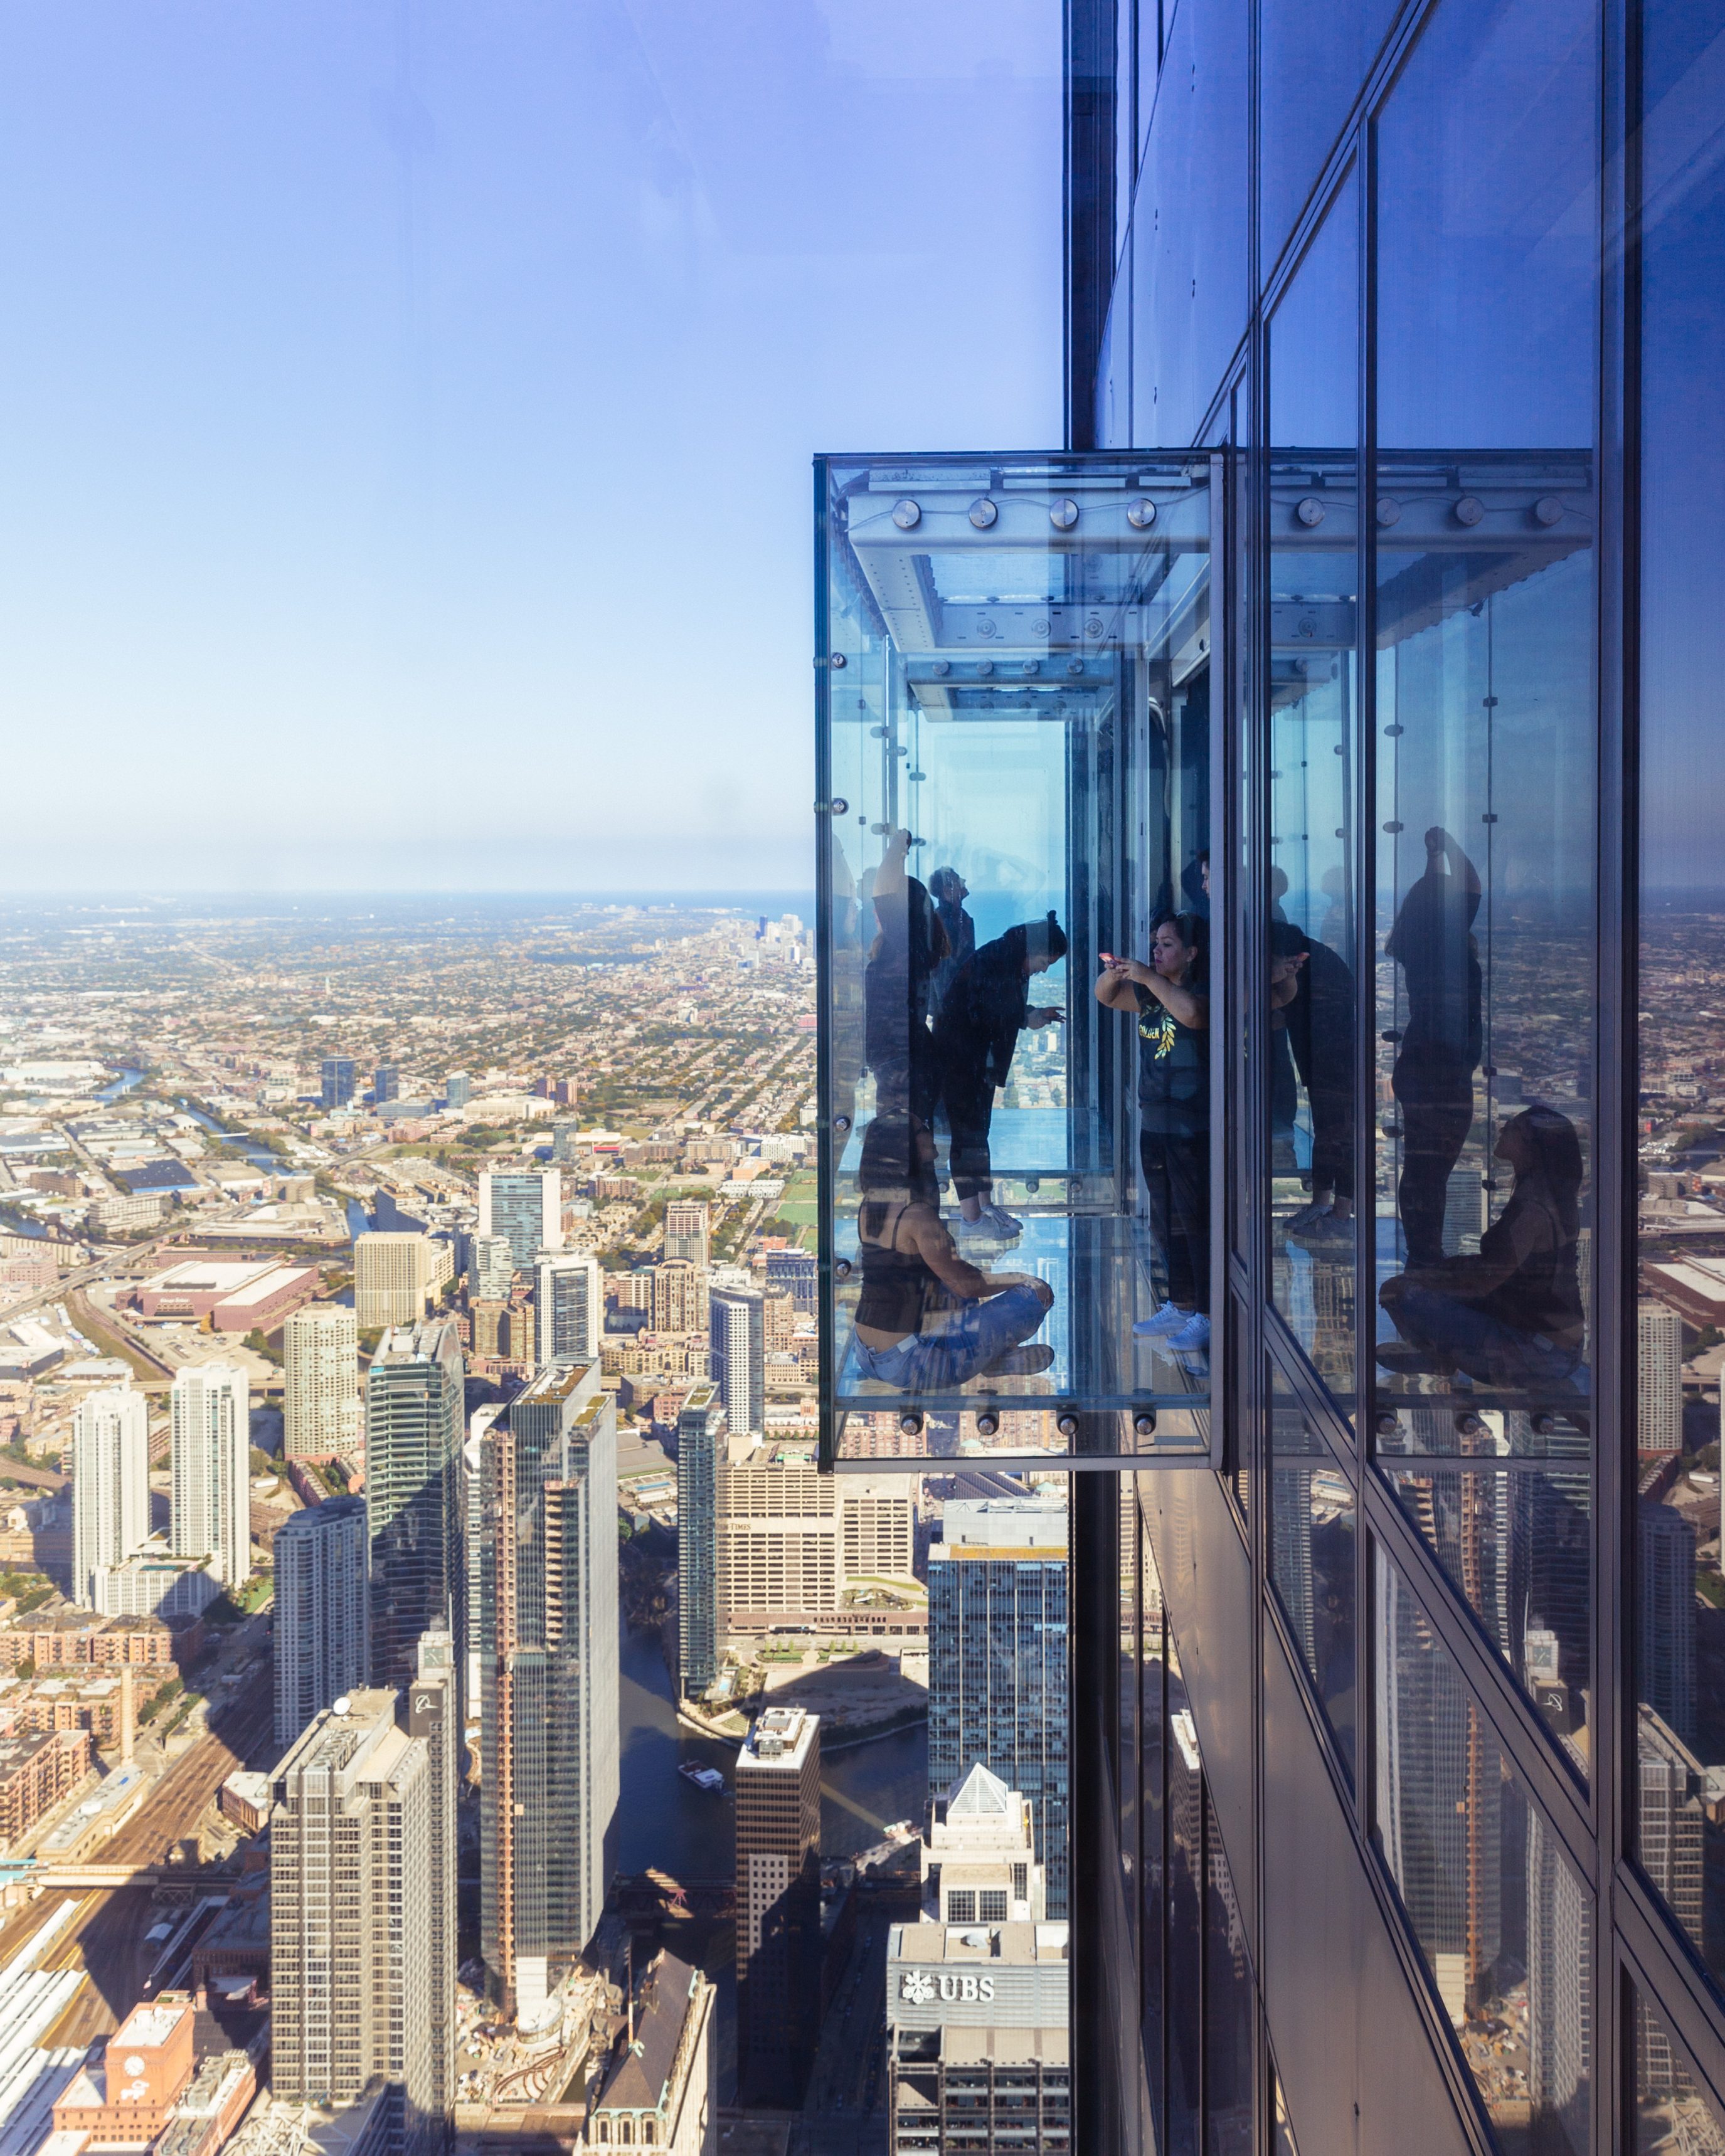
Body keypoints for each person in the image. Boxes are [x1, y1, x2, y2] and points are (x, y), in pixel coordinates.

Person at [1377, 1104, 1584, 1392]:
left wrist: (1420, 1279)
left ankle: (1436, 1358)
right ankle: (1438, 1355)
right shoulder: (1552, 1199)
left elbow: (1484, 1281)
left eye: (1512, 1126)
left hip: (1533, 1355)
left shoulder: (1532, 1210)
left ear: (1530, 1145)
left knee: (1396, 1291)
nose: (1502, 1129)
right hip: (1558, 1350)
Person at [844, 1118, 1056, 1392]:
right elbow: (969, 1285)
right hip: (916, 1363)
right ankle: (991, 1359)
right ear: (906, 1147)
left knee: (954, 1288)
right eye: (923, 1130)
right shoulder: (916, 1215)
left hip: (867, 1353)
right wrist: (1024, 1278)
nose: (930, 1132)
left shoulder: (871, 1205)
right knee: (1036, 1294)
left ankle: (991, 1358)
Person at [1095, 912, 1211, 1355]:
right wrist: (1119, 972)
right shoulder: (1147, 995)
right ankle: (1181, 1303)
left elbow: (1193, 1015)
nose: (1157, 952)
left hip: (1191, 1125)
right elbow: (1105, 997)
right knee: (1166, 1222)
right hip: (1155, 1121)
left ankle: (1208, 1310)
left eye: (1166, 945)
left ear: (1191, 953)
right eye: (1154, 944)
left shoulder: (1199, 990)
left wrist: (1149, 976)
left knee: (1196, 1221)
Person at [932, 912, 1068, 1242]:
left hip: (975, 1063)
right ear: (1032, 949)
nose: (1045, 969)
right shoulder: (997, 960)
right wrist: (1027, 1016)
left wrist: (1029, 1015)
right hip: (962, 1062)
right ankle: (972, 1221)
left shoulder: (1005, 958)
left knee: (978, 1134)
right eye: (1045, 961)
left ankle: (983, 1208)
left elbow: (995, 1007)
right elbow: (984, 1011)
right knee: (967, 1137)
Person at [1386, 827, 1482, 1266]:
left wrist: (1432, 859)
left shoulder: (1415, 944)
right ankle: (1426, 1255)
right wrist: (1450, 846)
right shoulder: (1444, 946)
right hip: (1443, 1068)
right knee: (1435, 1170)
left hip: (1420, 1065)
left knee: (1422, 1168)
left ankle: (1422, 1253)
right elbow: (1473, 885)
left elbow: (1435, 897)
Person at [863, 828, 947, 1126]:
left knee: (897, 1151)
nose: (876, 913)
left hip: (903, 1068)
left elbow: (883, 891)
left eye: (884, 911)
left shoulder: (904, 947)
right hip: (909, 1063)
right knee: (913, 1146)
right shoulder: (913, 950)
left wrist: (899, 844)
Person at [927, 866, 975, 1018]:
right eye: (956, 880)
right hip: (951, 1005)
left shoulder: (958, 917)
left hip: (956, 1001)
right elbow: (942, 970)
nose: (963, 882)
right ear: (946, 890)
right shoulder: (945, 920)